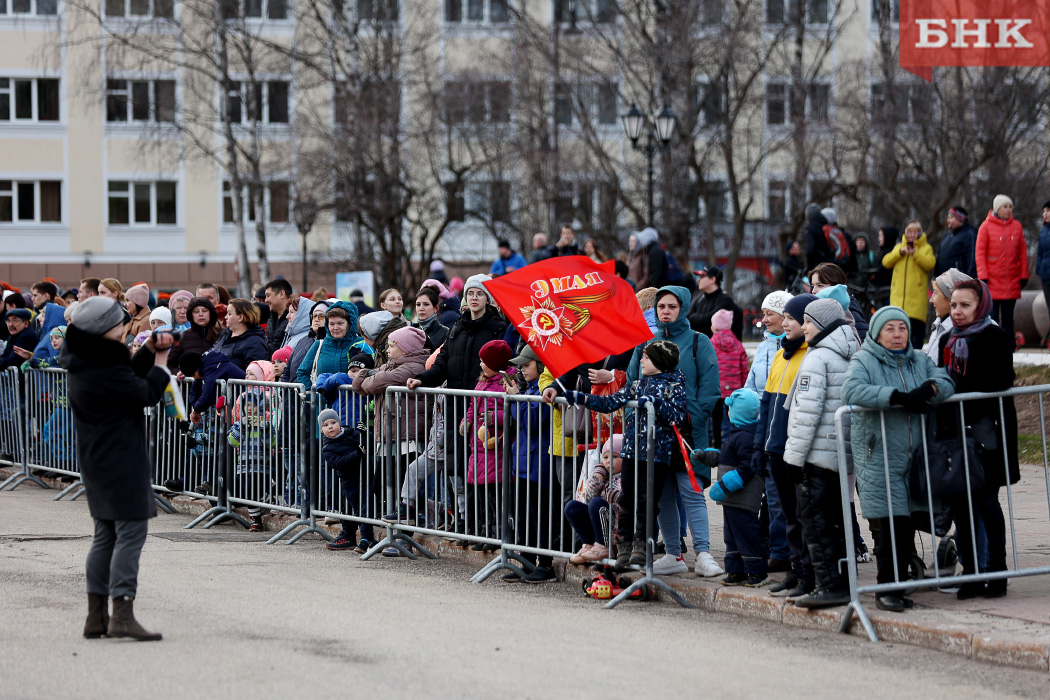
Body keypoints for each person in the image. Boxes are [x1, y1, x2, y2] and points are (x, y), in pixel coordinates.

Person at [61, 296, 172, 641]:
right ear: (106, 329)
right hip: (121, 458)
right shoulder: (103, 366)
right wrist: (163, 364)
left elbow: (124, 379)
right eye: (121, 327)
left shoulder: (87, 360)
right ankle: (122, 613)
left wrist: (148, 351)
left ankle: (96, 617)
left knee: (105, 535)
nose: (125, 331)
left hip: (97, 458)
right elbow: (142, 393)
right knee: (131, 533)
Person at [844, 305, 954, 612]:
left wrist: (929, 388)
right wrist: (895, 397)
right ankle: (885, 590)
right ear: (878, 333)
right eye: (890, 329)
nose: (897, 334)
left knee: (906, 525)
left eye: (902, 328)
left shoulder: (919, 359)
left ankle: (899, 587)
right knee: (891, 526)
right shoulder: (865, 359)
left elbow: (945, 382)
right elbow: (851, 391)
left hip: (916, 456)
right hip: (878, 454)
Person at [625, 288, 723, 577]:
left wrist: (690, 418)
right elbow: (632, 383)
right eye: (660, 306)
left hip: (686, 433)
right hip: (653, 435)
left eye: (672, 306)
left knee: (690, 491)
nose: (665, 311)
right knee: (663, 495)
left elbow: (710, 389)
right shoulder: (645, 343)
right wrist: (637, 421)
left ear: (683, 308)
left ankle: (703, 553)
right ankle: (673, 554)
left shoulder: (698, 341)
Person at [565, 341, 688, 570]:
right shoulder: (637, 385)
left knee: (647, 501)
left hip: (656, 455)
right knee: (627, 498)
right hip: (631, 451)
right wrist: (580, 398)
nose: (641, 360)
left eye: (646, 358)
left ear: (660, 361)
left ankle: (642, 545)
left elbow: (678, 415)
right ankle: (624, 545)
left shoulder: (674, 385)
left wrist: (655, 403)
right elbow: (610, 403)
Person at [936, 280, 1018, 600]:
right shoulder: (947, 338)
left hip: (988, 434)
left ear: (980, 306)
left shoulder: (996, 337)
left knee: (986, 502)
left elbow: (999, 381)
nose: (957, 312)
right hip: (954, 436)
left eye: (965, 305)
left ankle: (997, 572)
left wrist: (956, 395)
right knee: (961, 507)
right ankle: (971, 573)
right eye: (954, 305)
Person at [781, 299, 861, 608]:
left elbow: (805, 415)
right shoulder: (849, 350)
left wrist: (793, 459)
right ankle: (841, 582)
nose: (804, 328)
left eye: (809, 322)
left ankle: (830, 586)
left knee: (816, 522)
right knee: (836, 521)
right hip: (839, 454)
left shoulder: (818, 357)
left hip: (815, 455)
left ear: (823, 325)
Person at [754, 293, 816, 598]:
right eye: (788, 318)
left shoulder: (810, 355)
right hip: (775, 447)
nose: (788, 323)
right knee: (789, 516)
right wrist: (759, 446)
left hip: (797, 449)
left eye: (793, 318)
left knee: (803, 514)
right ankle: (795, 569)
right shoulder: (781, 355)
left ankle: (808, 572)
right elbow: (767, 404)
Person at [352, 326, 431, 556]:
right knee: (381, 486)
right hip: (389, 437)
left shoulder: (414, 366)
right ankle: (392, 534)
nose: (387, 349)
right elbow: (360, 384)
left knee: (402, 490)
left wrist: (370, 376)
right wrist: (370, 376)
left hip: (408, 436)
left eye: (392, 345)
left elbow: (372, 384)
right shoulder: (392, 365)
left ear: (405, 347)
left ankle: (406, 537)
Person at [743, 290, 793, 572]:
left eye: (769, 314)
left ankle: (784, 549)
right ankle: (776, 546)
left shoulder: (794, 346)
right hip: (762, 423)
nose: (764, 319)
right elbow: (752, 381)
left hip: (783, 423)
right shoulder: (763, 346)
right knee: (769, 492)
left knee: (780, 494)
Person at [703, 389, 767, 587]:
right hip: (732, 499)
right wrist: (706, 456)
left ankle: (757, 571)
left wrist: (723, 485)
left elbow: (748, 466)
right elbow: (726, 457)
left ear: (737, 412)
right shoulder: (738, 433)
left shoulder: (747, 436)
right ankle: (735, 569)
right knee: (731, 534)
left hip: (743, 498)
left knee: (746, 532)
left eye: (730, 410)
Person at [502, 344, 555, 582]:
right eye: (521, 366)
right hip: (523, 461)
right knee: (524, 515)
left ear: (541, 365)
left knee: (539, 514)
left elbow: (532, 422)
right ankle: (525, 561)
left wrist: (516, 400)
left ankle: (545, 564)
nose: (522, 370)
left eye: (527, 365)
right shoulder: (528, 388)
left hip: (538, 462)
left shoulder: (542, 390)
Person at [459, 340, 515, 548]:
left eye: (484, 361)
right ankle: (481, 532)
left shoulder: (506, 383)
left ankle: (495, 535)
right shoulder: (482, 381)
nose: (480, 364)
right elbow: (473, 405)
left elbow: (512, 413)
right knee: (478, 495)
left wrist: (495, 418)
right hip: (478, 448)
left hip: (495, 449)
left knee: (494, 498)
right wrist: (467, 420)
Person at [317, 408, 378, 553]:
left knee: (366, 507)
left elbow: (368, 442)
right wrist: (357, 453)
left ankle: (366, 539)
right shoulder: (327, 448)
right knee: (358, 509)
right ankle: (364, 538)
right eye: (325, 425)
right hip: (350, 482)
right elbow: (339, 463)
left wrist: (364, 433)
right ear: (321, 430)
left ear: (339, 423)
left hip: (366, 476)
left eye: (333, 422)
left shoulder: (351, 433)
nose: (330, 427)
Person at [976, 195, 1029, 339]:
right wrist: (983, 276)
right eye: (1005, 207)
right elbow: (980, 253)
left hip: (1011, 281)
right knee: (991, 318)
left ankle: (1009, 348)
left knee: (1008, 318)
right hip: (992, 280)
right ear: (997, 208)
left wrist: (1024, 275)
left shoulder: (1017, 226)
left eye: (1010, 207)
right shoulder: (985, 226)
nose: (1008, 210)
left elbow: (1022, 253)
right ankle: (992, 346)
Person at [565, 434, 622, 565]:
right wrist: (598, 476)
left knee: (596, 503)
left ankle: (604, 546)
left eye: (615, 457)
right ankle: (589, 544)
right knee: (572, 507)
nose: (609, 461)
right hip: (601, 523)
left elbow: (620, 499)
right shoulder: (603, 474)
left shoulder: (628, 476)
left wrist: (608, 489)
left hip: (618, 528)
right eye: (606, 457)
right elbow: (587, 496)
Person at [882, 221, 936, 348]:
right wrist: (901, 252)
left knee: (915, 338)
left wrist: (915, 254)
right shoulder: (899, 247)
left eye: (914, 232)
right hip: (898, 302)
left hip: (915, 304)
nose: (911, 235)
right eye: (909, 232)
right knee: (897, 338)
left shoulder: (925, 248)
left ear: (919, 233)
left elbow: (930, 264)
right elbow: (886, 262)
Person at [296, 301, 363, 395]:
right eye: (331, 324)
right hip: (323, 406)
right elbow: (302, 372)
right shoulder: (319, 344)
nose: (335, 328)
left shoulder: (361, 344)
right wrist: (313, 394)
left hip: (353, 404)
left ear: (350, 324)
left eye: (340, 323)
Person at [710, 309, 750, 448]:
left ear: (715, 326)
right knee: (732, 417)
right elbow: (744, 366)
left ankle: (716, 444)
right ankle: (731, 443)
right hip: (734, 388)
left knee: (716, 417)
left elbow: (707, 365)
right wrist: (744, 386)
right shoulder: (737, 344)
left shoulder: (711, 344)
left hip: (716, 388)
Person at [809, 263, 869, 340]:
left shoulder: (850, 313)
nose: (813, 291)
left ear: (837, 287)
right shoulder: (821, 312)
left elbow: (863, 342)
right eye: (812, 286)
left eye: (820, 285)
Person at [210, 299, 270, 371]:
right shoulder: (225, 333)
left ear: (241, 317)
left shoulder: (255, 342)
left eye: (229, 314)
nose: (225, 317)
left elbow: (253, 373)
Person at [927, 269, 972, 363]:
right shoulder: (938, 325)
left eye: (935, 293)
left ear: (951, 298)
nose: (931, 300)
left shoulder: (968, 333)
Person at [687, 265, 741, 339]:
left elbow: (712, 321)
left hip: (716, 347)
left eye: (702, 277)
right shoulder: (699, 298)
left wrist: (695, 317)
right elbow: (688, 318)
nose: (698, 280)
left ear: (712, 279)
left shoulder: (725, 300)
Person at [936, 206, 978, 278]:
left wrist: (969, 281)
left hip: (960, 283)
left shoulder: (970, 234)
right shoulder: (948, 234)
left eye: (951, 217)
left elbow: (972, 259)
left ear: (960, 219)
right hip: (944, 281)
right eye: (948, 217)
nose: (948, 220)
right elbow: (940, 255)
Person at [263, 279, 293, 357]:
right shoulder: (271, 319)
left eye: (268, 296)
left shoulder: (293, 319)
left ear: (282, 294)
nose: (266, 300)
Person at [1040, 202, 1050, 348]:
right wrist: (1039, 270)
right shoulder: (1043, 231)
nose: (1045, 214)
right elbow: (1040, 253)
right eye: (1044, 211)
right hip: (1045, 276)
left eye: (1048, 210)